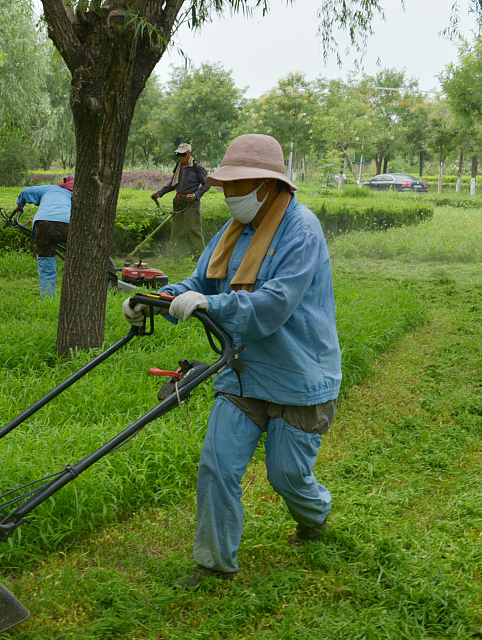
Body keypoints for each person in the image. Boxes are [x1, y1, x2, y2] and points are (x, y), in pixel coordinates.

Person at [123, 134, 342, 586]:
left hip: (300, 374)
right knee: (217, 465)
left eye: (239, 186)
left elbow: (274, 305)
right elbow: (200, 281)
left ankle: (315, 515)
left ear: (267, 185)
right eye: (226, 186)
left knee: (287, 476)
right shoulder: (232, 231)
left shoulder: (301, 230)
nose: (229, 195)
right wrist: (156, 300)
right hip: (243, 370)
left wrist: (212, 304)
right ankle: (214, 563)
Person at [14, 175, 74, 298]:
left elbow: (25, 192)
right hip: (67, 225)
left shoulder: (50, 189)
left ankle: (48, 298)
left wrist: (19, 206)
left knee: (46, 263)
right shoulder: (76, 196)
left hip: (42, 225)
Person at [151, 143, 209, 252]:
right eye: (178, 155)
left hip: (191, 203)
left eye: (183, 155)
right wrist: (159, 193)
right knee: (177, 230)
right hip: (178, 201)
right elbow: (173, 184)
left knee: (194, 229)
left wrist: (195, 195)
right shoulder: (179, 168)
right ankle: (175, 255)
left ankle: (200, 255)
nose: (180, 157)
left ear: (190, 154)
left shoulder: (197, 168)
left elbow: (207, 184)